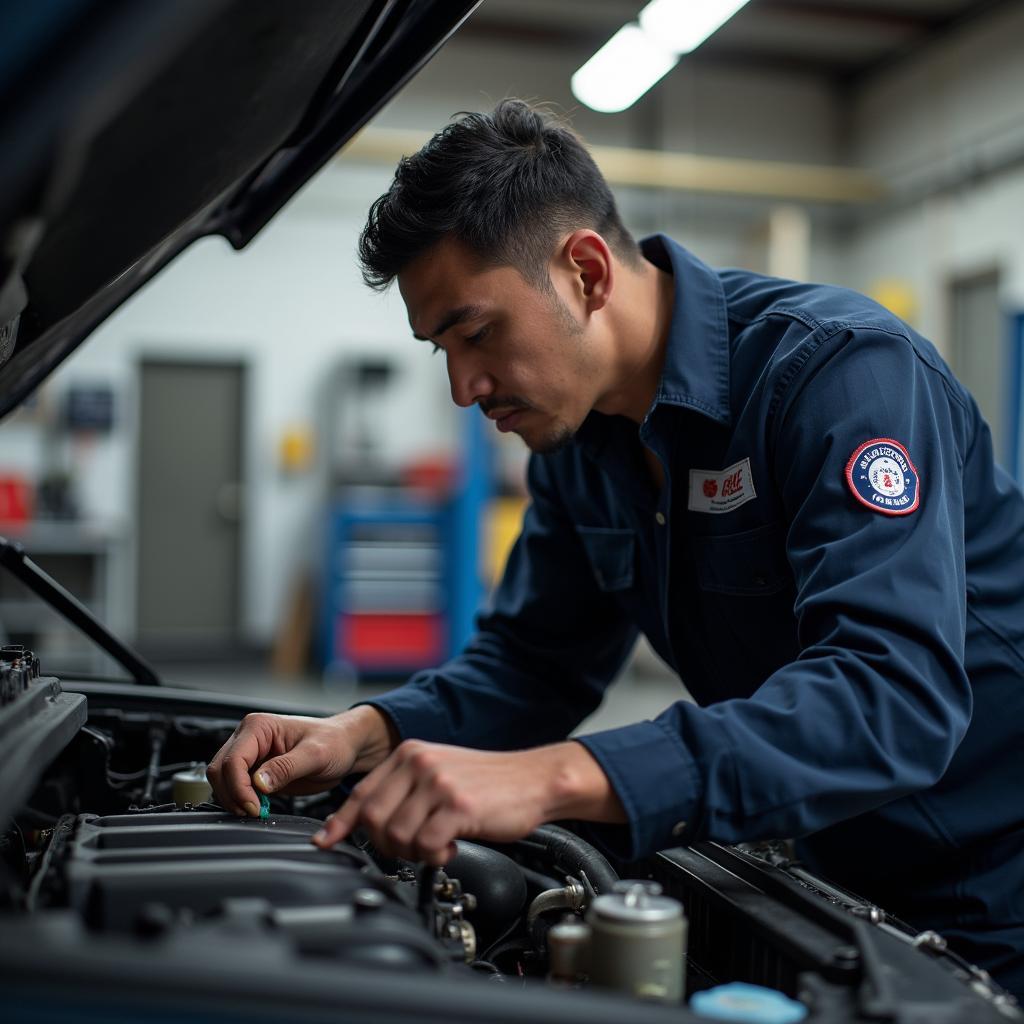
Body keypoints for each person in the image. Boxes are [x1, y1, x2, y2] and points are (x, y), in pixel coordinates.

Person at [207, 100, 1024, 995]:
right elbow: (534, 666)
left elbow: (891, 694)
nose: (461, 386)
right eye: (439, 347)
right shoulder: (580, 444)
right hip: (829, 869)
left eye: (477, 333)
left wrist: (560, 774)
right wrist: (366, 732)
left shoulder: (837, 376)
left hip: (992, 884)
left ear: (585, 272)